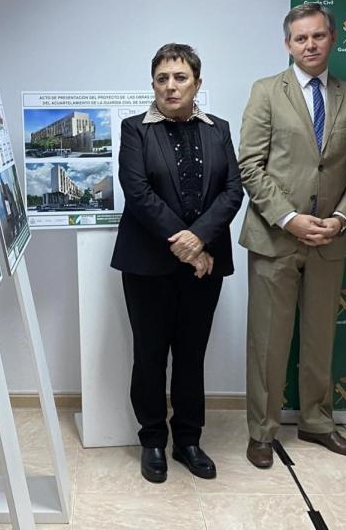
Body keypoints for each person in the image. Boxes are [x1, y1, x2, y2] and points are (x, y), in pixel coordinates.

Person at [238, 3, 346, 468]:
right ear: (288, 44)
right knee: (268, 343)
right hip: (275, 238)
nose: (310, 45)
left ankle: (317, 423)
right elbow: (249, 166)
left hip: (330, 240)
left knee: (319, 340)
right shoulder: (265, 92)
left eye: (317, 36)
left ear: (332, 38)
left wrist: (341, 219)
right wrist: (289, 217)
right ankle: (261, 431)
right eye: (301, 38)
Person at [111, 43, 244, 483]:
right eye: (163, 78)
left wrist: (201, 239)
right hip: (148, 265)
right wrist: (190, 246)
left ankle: (188, 439)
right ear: (153, 84)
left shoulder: (219, 129)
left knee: (191, 355)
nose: (171, 86)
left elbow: (232, 191)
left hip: (204, 268)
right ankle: (152, 440)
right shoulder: (135, 130)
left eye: (180, 77)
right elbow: (139, 193)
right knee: (149, 355)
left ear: (197, 84)